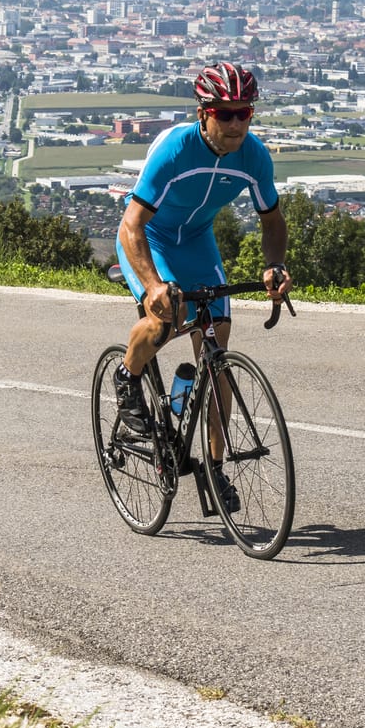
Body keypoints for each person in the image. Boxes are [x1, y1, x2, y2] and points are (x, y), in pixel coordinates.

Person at [112, 61, 292, 511]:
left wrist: (274, 265)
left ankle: (213, 468)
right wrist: (154, 286)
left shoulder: (254, 156)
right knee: (163, 320)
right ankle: (127, 376)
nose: (235, 123)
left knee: (218, 349)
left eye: (244, 113)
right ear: (203, 112)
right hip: (149, 239)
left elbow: (271, 220)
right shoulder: (176, 151)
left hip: (195, 243)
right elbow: (133, 225)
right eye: (225, 113)